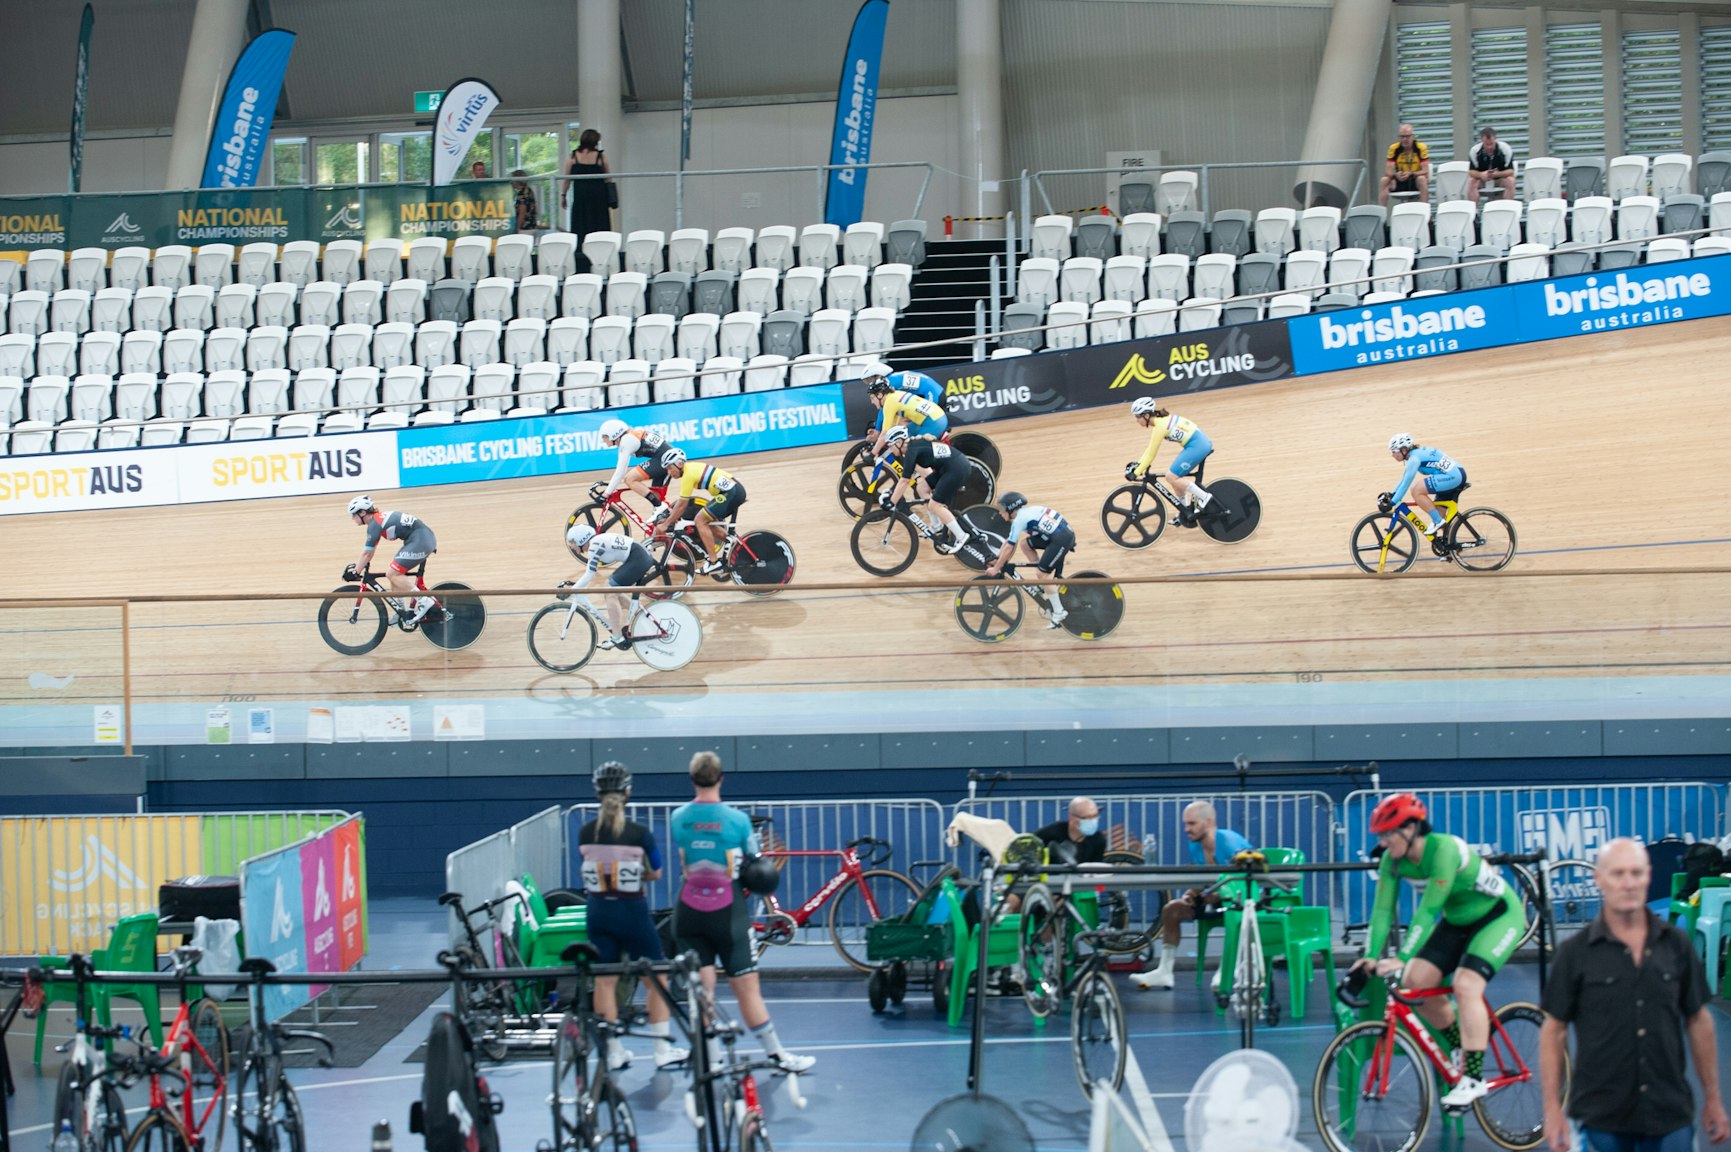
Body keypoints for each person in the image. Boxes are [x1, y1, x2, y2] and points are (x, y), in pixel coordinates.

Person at [1540, 838, 1729, 1152]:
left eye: (1636, 873)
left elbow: (1698, 1021)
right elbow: (1553, 1031)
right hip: (1600, 1119)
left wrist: (1713, 1099)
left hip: (1670, 1115)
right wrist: (1551, 1110)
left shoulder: (1677, 945)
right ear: (1599, 879)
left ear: (1648, 876)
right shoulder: (1574, 954)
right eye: (1618, 874)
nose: (1628, 883)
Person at [1350, 792, 1528, 1110]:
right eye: (1381, 835)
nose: (1384, 841)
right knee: (1416, 981)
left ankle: (1473, 1079)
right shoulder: (1392, 861)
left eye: (1389, 833)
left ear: (1412, 829)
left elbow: (1427, 910)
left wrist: (1401, 957)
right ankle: (1461, 1046)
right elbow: (1381, 911)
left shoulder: (1444, 849)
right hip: (1458, 920)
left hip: (1498, 915)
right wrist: (1371, 955)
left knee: (1466, 984)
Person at [669, 751, 814, 1073]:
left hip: (689, 911)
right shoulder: (737, 820)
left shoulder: (678, 817)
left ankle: (712, 1059)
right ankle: (777, 1054)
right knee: (748, 989)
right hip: (727, 912)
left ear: (692, 780)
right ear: (721, 778)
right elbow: (754, 861)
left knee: (702, 991)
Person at [575, 761, 688, 1071]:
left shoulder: (585, 832)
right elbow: (656, 872)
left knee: (605, 982)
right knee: (656, 977)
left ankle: (613, 1051)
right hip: (633, 914)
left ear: (598, 794)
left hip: (598, 913)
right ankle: (661, 1051)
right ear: (628, 792)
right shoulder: (639, 833)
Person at [1131, 801, 1253, 990]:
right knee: (1172, 910)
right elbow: (1204, 878)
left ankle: (1228, 969)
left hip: (1242, 903)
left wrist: (1216, 894)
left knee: (1232, 912)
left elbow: (1247, 877)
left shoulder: (1228, 840)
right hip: (1215, 901)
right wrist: (1193, 893)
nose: (1187, 829)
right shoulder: (1195, 845)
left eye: (1192, 824)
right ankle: (1164, 971)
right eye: (1185, 824)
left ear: (1209, 822)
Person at [981, 491, 1073, 629]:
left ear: (1011, 509)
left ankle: (1059, 612)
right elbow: (1008, 542)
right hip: (1058, 535)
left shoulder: (1019, 520)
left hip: (1061, 539)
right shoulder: (1024, 514)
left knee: (1042, 574)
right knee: (1025, 544)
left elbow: (1009, 548)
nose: (1000, 513)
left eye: (1002, 509)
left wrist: (996, 568)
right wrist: (998, 558)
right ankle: (1043, 583)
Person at [879, 425, 974, 555]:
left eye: (890, 446)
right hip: (950, 467)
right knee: (922, 488)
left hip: (956, 469)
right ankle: (936, 526)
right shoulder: (912, 447)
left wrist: (892, 502)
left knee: (935, 505)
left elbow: (904, 481)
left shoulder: (912, 451)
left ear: (899, 442)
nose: (889, 449)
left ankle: (961, 536)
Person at [345, 496, 439, 624]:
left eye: (353, 515)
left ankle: (424, 601)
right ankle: (401, 611)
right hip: (420, 539)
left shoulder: (374, 524)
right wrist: (359, 567)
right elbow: (370, 552)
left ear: (362, 512)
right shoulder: (378, 520)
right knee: (393, 574)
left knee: (392, 573)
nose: (352, 518)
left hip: (420, 540)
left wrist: (356, 571)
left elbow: (367, 553)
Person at [562, 523, 656, 650]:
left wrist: (572, 591)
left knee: (609, 590)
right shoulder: (596, 542)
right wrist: (576, 585)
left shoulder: (594, 545)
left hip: (638, 558)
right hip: (638, 556)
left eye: (572, 542)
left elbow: (590, 573)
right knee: (610, 590)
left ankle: (617, 637)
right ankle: (641, 615)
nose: (571, 546)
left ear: (581, 539)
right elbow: (590, 573)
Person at [1126, 396, 1214, 527]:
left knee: (1171, 477)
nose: (1136, 420)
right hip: (1196, 444)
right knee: (1176, 482)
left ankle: (1205, 497)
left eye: (1137, 417)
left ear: (1145, 415)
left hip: (1197, 446)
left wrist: (1137, 472)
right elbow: (1149, 450)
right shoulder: (1160, 422)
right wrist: (1138, 466)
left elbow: (1151, 454)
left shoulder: (1160, 426)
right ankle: (1184, 513)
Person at [658, 450, 744, 576]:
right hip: (732, 491)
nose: (669, 473)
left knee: (700, 520)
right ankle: (737, 546)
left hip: (730, 493)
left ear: (680, 464)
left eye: (670, 468)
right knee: (706, 522)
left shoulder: (688, 474)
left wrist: (666, 524)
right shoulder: (690, 469)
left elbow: (681, 506)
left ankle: (714, 563)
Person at [1386, 433, 1465, 537]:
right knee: (1438, 514)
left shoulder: (1414, 459)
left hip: (1453, 477)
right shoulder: (1415, 454)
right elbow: (1403, 480)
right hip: (1455, 474)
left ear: (1403, 450)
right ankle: (1449, 544)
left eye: (1394, 451)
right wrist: (1392, 495)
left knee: (1416, 490)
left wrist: (1392, 502)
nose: (1393, 455)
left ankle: (1437, 521)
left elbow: (1405, 484)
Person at [596, 418, 675, 508]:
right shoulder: (628, 437)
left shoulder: (627, 441)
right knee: (657, 501)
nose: (603, 440)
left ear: (614, 434)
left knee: (629, 479)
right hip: (665, 459)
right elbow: (621, 469)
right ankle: (663, 513)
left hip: (665, 460)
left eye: (605, 436)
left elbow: (620, 472)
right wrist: (609, 488)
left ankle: (660, 507)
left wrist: (606, 494)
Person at [866, 378, 949, 457]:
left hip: (933, 422)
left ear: (880, 395)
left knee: (914, 453)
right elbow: (893, 429)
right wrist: (877, 439)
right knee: (904, 435)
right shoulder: (893, 395)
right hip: (934, 417)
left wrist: (872, 454)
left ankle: (929, 470)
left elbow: (884, 434)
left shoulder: (889, 403)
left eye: (872, 398)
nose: (872, 402)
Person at [562, 128, 613, 244]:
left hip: (581, 195)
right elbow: (608, 177)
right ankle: (602, 246)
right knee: (600, 223)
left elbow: (567, 179)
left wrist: (563, 195)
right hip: (599, 195)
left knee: (581, 223)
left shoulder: (573, 156)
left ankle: (581, 250)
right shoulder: (600, 156)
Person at [1034, 797, 1106, 865]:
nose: (1092, 821)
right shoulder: (1049, 834)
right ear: (1072, 818)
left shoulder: (1098, 840)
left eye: (1095, 816)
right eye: (1086, 818)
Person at [1379, 124, 1431, 206]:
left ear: (1412, 136)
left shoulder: (1421, 148)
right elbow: (1387, 170)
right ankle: (1382, 214)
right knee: (1384, 180)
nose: (1405, 139)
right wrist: (1395, 175)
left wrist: (1411, 173)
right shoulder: (1394, 148)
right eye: (1402, 137)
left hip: (1414, 179)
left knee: (1422, 179)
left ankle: (1425, 211)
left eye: (1407, 136)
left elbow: (1425, 170)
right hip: (1400, 179)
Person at [1466, 127, 1516, 204]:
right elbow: (1471, 172)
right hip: (1483, 180)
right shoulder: (1475, 151)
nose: (1489, 147)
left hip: (1499, 179)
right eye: (1486, 144)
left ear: (1495, 139)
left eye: (1491, 144)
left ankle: (1507, 207)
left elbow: (1511, 171)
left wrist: (1498, 174)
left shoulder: (1504, 149)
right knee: (1471, 181)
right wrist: (1481, 174)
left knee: (1511, 181)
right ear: (1482, 141)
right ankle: (1474, 212)